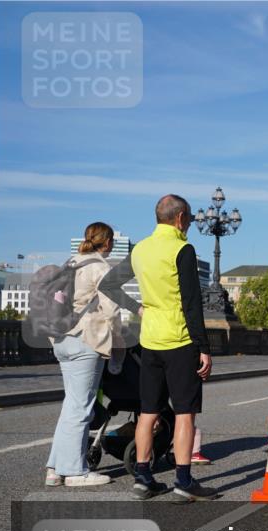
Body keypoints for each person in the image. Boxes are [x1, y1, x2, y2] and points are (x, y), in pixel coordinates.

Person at [100, 194, 219, 502]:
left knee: (147, 412)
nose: (191, 224)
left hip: (149, 340)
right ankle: (182, 480)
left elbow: (108, 285)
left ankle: (142, 477)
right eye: (191, 219)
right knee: (184, 414)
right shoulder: (182, 249)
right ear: (179, 219)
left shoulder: (141, 249)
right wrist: (203, 347)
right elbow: (193, 304)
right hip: (179, 340)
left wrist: (138, 308)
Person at [45, 222, 126, 487]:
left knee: (72, 404)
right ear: (109, 242)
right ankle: (75, 472)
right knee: (81, 407)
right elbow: (113, 309)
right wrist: (118, 340)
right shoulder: (100, 266)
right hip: (85, 341)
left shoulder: (70, 262)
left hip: (61, 339)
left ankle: (55, 469)